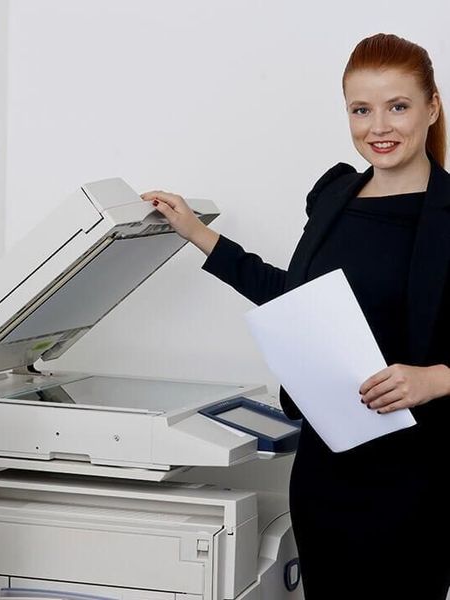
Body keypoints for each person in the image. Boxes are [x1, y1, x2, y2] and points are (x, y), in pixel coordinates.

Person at [142, 33, 450, 599]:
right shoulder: (334, 196)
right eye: (361, 109)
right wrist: (198, 234)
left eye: (398, 106)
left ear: (431, 107)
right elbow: (299, 302)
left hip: (415, 476)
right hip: (325, 469)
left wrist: (434, 379)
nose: (378, 126)